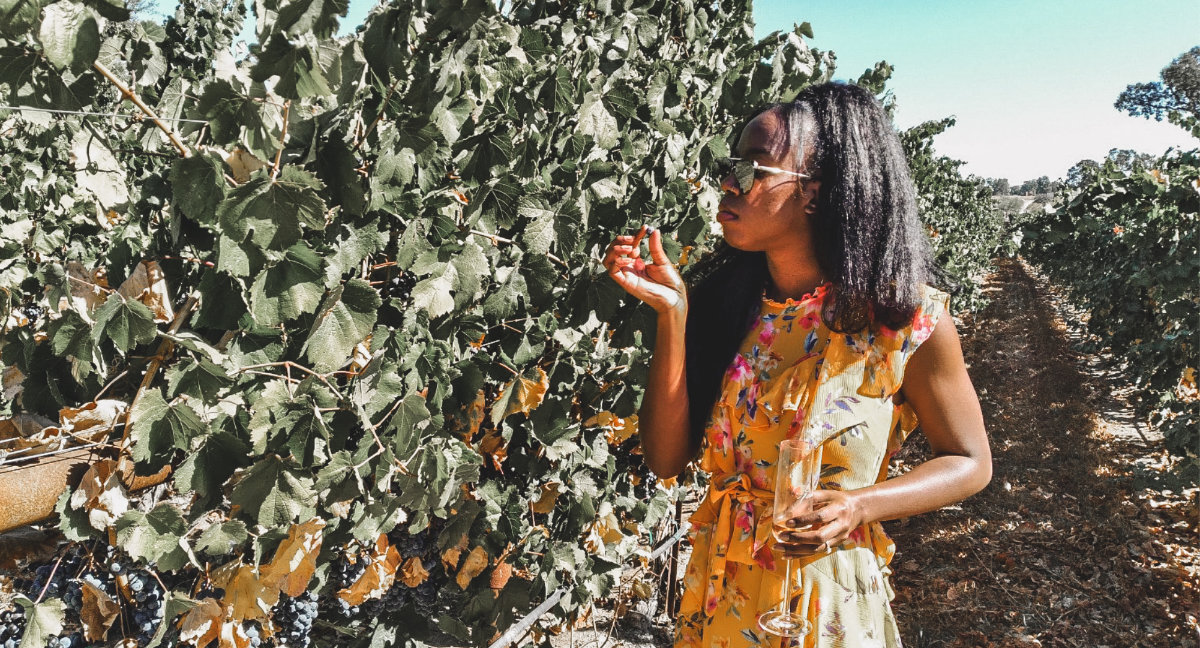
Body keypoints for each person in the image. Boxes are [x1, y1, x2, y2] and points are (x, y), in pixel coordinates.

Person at [602, 82, 992, 647]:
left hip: (823, 604)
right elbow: (665, 459)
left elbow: (970, 461)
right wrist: (673, 314)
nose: (727, 185)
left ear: (815, 192)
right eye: (731, 165)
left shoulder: (902, 320)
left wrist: (859, 505)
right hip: (720, 599)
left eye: (754, 170)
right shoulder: (728, 305)